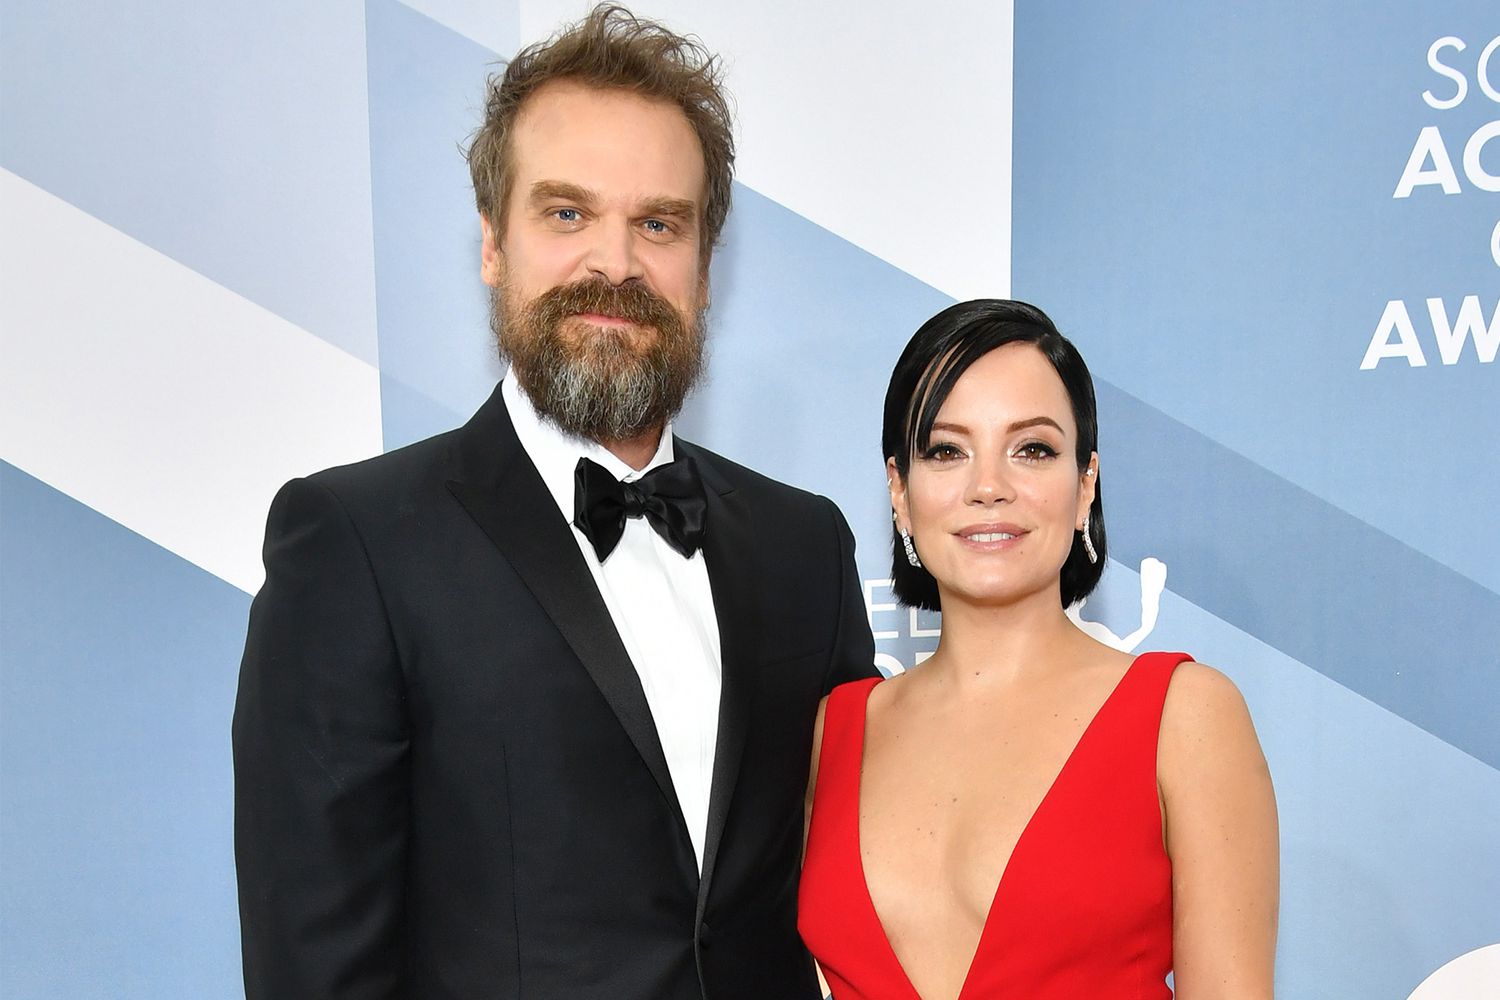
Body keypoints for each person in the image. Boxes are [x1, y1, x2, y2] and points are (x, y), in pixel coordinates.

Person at [232, 7, 876, 998]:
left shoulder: (807, 547)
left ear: (705, 268)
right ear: (493, 245)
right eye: (567, 214)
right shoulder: (357, 545)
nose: (614, 264)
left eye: (658, 223)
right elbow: (315, 969)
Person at [799, 300, 1278, 998]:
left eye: (1033, 449)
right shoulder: (835, 732)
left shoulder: (1185, 717)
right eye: (946, 451)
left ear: (1085, 485)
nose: (989, 487)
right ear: (899, 491)